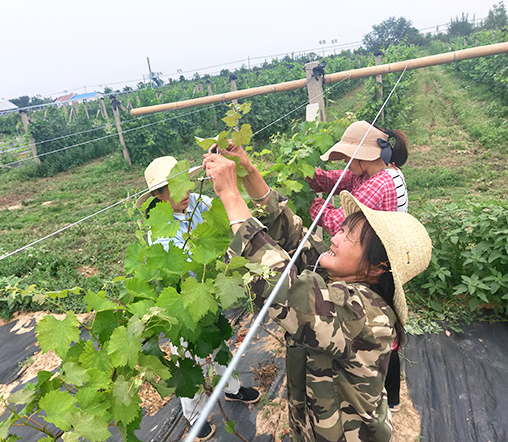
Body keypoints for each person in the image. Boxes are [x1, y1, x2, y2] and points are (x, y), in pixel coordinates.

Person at [203, 148, 431, 442]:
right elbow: (295, 238)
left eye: (349, 236)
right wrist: (249, 173)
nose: (334, 237)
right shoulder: (344, 278)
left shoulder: (365, 315)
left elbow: (285, 290)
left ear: (377, 268)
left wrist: (231, 196)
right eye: (342, 229)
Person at [137, 156, 260, 441]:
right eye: (175, 189)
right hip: (182, 303)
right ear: (159, 194)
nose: (186, 192)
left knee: (219, 343)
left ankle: (232, 389)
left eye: (186, 183)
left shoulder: (201, 205)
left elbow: (223, 230)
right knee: (186, 360)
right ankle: (195, 415)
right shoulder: (158, 230)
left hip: (208, 294)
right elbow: (175, 269)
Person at [308, 120, 409, 409]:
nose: (347, 165)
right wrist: (310, 177)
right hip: (379, 261)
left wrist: (316, 206)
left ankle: (388, 400)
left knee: (381, 337)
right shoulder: (379, 172)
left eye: (350, 159)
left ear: (364, 157)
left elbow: (334, 222)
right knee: (384, 332)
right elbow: (339, 180)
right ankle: (389, 396)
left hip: (374, 268)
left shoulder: (378, 184)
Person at [307, 120, 409, 236]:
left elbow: (337, 224)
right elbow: (334, 180)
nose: (345, 160)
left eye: (347, 155)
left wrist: (310, 201)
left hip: (376, 252)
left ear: (361, 155)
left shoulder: (379, 184)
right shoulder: (376, 171)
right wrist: (307, 175)